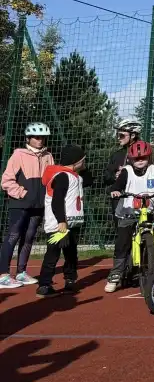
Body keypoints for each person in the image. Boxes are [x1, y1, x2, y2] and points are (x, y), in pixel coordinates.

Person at [107, 139, 154, 293]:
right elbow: (117, 185)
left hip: (147, 212)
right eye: (136, 158)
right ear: (131, 159)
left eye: (143, 158)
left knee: (150, 240)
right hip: (128, 213)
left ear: (149, 157)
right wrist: (116, 190)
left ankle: (150, 272)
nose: (140, 161)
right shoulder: (127, 171)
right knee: (123, 243)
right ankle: (116, 274)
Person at [0, 122, 54, 288]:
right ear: (28, 139)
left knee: (29, 237)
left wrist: (47, 197)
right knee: (13, 236)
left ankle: (21, 272)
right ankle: (3, 275)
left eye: (43, 137)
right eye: (36, 137)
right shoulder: (18, 155)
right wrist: (23, 194)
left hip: (39, 205)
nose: (40, 140)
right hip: (20, 204)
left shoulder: (48, 156)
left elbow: (51, 180)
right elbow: (6, 181)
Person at [36, 144, 89, 296]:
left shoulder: (75, 176)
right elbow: (57, 200)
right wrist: (61, 221)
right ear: (76, 161)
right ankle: (44, 285)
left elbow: (89, 180)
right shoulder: (62, 176)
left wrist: (83, 169)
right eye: (83, 159)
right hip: (59, 225)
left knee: (71, 254)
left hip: (71, 223)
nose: (85, 162)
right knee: (52, 254)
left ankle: (70, 280)